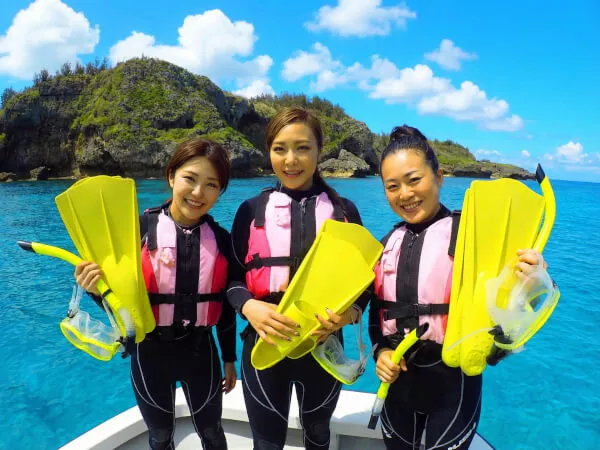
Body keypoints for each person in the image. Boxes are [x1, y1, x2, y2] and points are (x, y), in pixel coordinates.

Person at [368, 125, 544, 449]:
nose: (404, 194)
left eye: (414, 180)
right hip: (398, 383)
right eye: (392, 186)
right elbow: (378, 313)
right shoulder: (385, 245)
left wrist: (533, 280)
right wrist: (381, 351)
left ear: (439, 177)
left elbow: (519, 304)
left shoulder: (472, 237)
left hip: (454, 385)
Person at [74, 138, 237, 450]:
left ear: (220, 191)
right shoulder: (136, 231)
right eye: (190, 179)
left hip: (201, 352)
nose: (198, 193)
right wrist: (94, 289)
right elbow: (118, 303)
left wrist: (229, 358)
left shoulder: (221, 240)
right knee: (160, 437)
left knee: (212, 433)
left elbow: (226, 308)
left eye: (211, 185)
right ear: (171, 176)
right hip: (149, 352)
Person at [227, 107, 367, 450]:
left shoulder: (344, 212)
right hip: (264, 344)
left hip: (323, 345)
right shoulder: (250, 211)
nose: (291, 160)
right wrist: (249, 307)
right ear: (269, 152)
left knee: (318, 436)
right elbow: (232, 279)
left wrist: (349, 315)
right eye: (280, 149)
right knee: (266, 443)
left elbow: (364, 282)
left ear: (319, 151)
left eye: (303, 148)